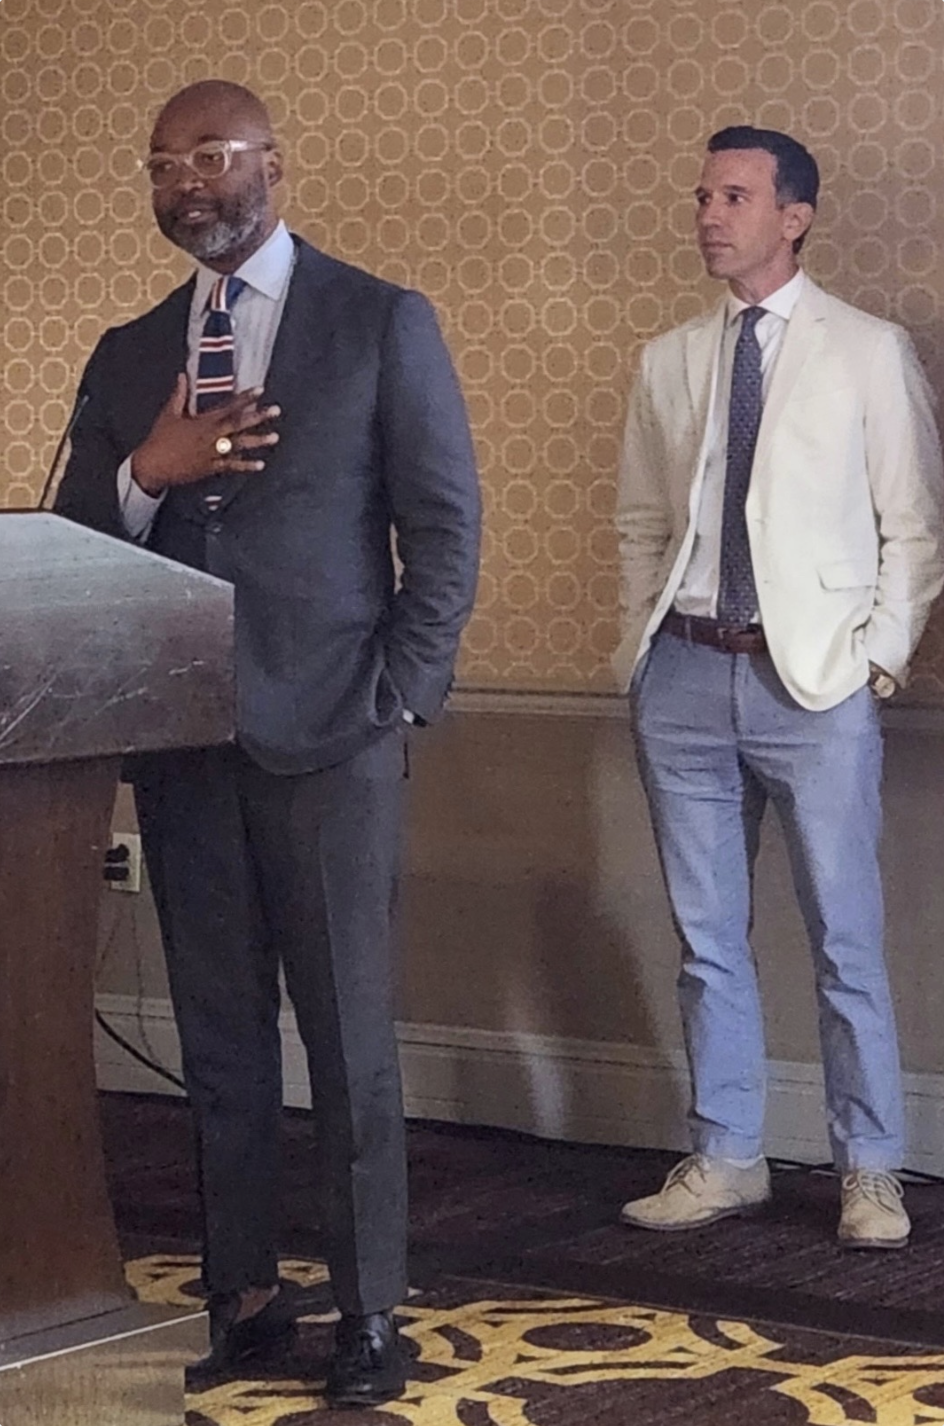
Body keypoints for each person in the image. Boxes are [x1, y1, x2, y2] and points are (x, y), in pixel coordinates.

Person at [55, 80, 481, 1405]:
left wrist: (398, 694)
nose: (187, 181)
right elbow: (75, 537)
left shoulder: (378, 321)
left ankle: (368, 1314)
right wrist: (153, 469)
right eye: (163, 164)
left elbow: (444, 528)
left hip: (335, 736)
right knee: (219, 1042)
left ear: (271, 165)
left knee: (349, 1042)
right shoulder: (130, 352)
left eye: (211, 154)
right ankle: (241, 1294)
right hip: (183, 748)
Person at [612, 126, 944, 1249]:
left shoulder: (866, 351)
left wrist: (876, 657)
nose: (709, 215)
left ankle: (870, 1169)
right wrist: (640, 647)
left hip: (813, 683)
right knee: (706, 938)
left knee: (844, 936)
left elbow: (914, 526)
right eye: (702, 196)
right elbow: (641, 520)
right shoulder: (668, 358)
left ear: (793, 217)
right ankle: (726, 1155)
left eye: (735, 196)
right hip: (682, 674)